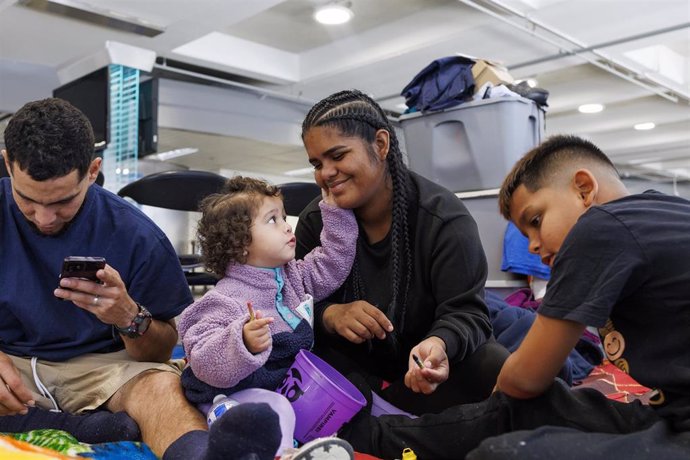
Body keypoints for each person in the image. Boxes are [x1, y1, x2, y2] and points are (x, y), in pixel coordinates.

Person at [335, 134, 690, 459]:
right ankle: (371, 438)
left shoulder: (601, 226)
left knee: (505, 450)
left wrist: (494, 409)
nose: (533, 247)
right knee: (539, 404)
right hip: (670, 409)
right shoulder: (660, 210)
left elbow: (525, 379)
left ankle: (366, 437)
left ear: (584, 188)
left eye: (535, 220)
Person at [0, 98, 288, 460]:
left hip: (101, 366)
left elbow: (163, 349)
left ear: (92, 171)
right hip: (9, 361)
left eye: (62, 202)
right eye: (27, 200)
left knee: (162, 388)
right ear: (8, 162)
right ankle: (80, 426)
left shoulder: (138, 236)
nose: (43, 218)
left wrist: (127, 317)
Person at [295, 89, 509, 416]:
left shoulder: (444, 219)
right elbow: (290, 304)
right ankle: (392, 431)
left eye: (337, 156)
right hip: (354, 376)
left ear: (381, 144)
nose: (325, 173)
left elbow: (468, 313)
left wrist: (439, 345)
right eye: (316, 163)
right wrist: (330, 316)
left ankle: (381, 432)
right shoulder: (315, 220)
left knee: (493, 364)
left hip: (424, 379)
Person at [178, 176, 357, 402]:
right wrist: (241, 341)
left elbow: (332, 263)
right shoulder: (225, 299)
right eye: (272, 220)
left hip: (286, 392)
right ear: (240, 244)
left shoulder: (293, 277)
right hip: (236, 402)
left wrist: (336, 212)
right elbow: (203, 361)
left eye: (283, 216)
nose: (287, 226)